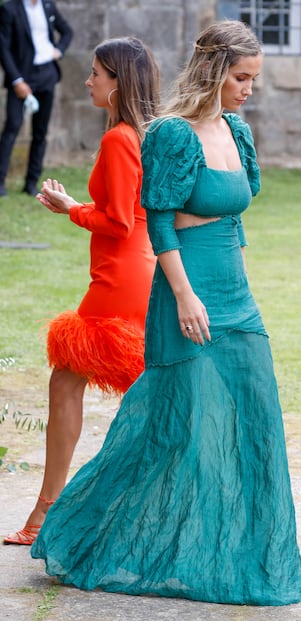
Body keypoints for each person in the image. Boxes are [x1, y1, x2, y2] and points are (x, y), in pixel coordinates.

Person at [31, 21, 301, 606]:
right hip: (185, 292)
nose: (249, 89)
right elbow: (156, 221)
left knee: (257, 416)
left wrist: (235, 282)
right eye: (241, 77)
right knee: (167, 429)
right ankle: (76, 530)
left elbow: (236, 214)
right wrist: (184, 295)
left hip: (236, 294)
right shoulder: (170, 136)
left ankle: (252, 558)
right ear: (214, 70)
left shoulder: (237, 130)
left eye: (254, 78)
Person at [3, 36, 159, 545]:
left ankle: (47, 512)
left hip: (117, 278)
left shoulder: (119, 139)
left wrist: (69, 208)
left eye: (96, 73)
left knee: (67, 384)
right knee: (137, 393)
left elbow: (115, 221)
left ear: (117, 83)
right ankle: (127, 511)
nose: (88, 81)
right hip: (142, 270)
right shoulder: (145, 133)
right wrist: (74, 204)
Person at [0, 0, 73, 197]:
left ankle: (31, 183)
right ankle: (0, 183)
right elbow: (3, 47)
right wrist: (17, 80)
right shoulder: (9, 8)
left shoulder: (48, 6)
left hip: (47, 74)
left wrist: (59, 50)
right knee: (12, 128)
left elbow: (67, 31)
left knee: (40, 132)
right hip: (22, 76)